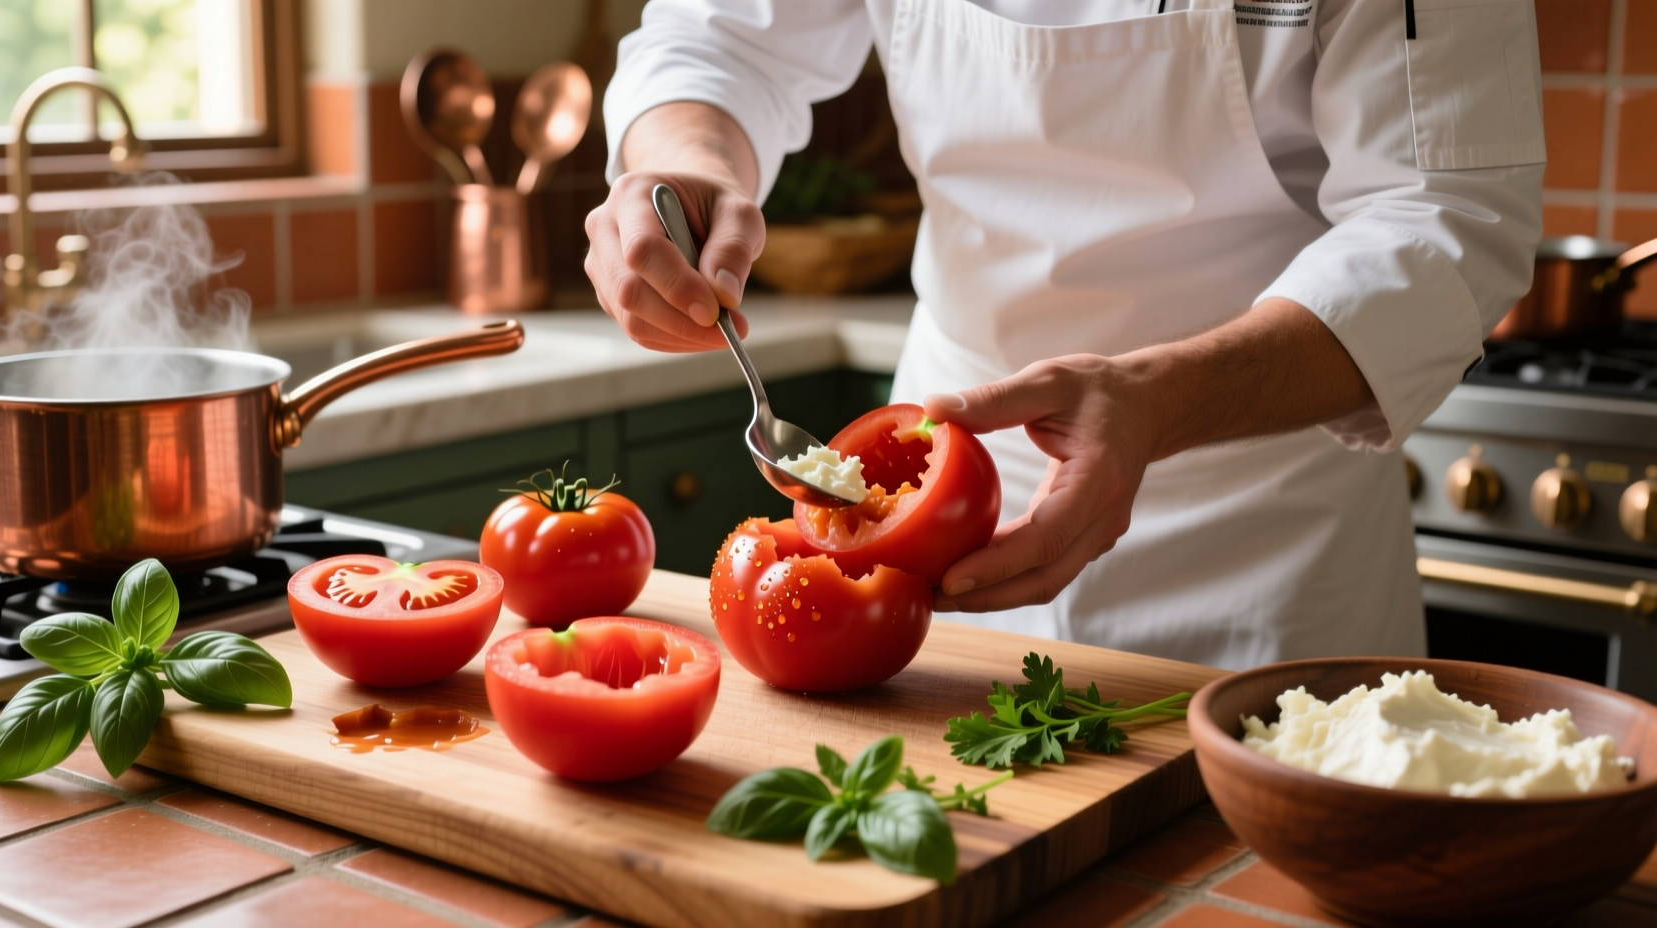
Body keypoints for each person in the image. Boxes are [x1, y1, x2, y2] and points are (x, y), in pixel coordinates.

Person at [583, 0, 1543, 670]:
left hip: (1267, 540)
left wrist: (1162, 402)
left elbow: (1445, 215)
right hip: (938, 508)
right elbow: (718, 38)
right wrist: (679, 167)